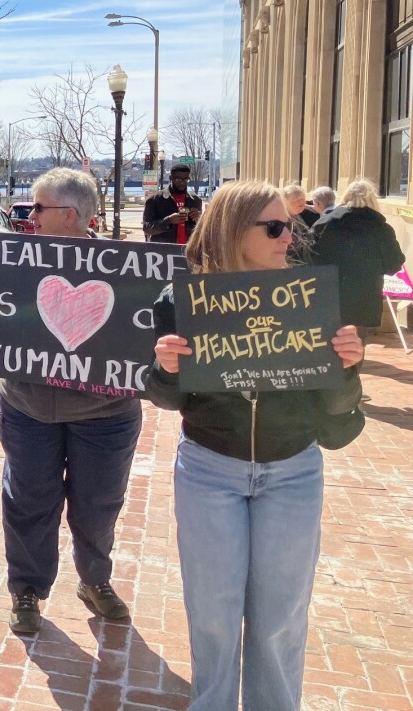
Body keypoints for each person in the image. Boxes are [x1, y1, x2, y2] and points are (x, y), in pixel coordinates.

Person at [144, 181, 364, 711]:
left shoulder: (310, 300)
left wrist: (347, 369)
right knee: (213, 613)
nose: (289, 236)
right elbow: (171, 399)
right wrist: (167, 368)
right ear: (231, 230)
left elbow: (336, 420)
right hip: (209, 470)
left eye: (290, 225)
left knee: (281, 617)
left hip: (292, 471)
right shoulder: (183, 301)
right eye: (274, 227)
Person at [0, 168, 143, 634]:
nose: (30, 215)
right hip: (29, 409)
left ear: (71, 215)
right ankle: (26, 589)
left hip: (106, 416)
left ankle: (95, 580)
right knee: (28, 501)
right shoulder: (15, 262)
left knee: (99, 505)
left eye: (39, 207)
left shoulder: (124, 270)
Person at [310, 178, 405, 331]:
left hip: (329, 294)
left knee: (328, 345)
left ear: (346, 197)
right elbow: (394, 263)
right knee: (357, 345)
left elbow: (308, 256)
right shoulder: (382, 228)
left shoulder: (324, 223)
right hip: (365, 297)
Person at [143, 164, 202, 244]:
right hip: (164, 251)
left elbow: (202, 230)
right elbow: (147, 228)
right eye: (179, 180)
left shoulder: (195, 200)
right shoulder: (155, 200)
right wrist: (168, 220)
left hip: (188, 249)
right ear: (171, 178)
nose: (182, 183)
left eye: (186, 180)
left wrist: (199, 220)